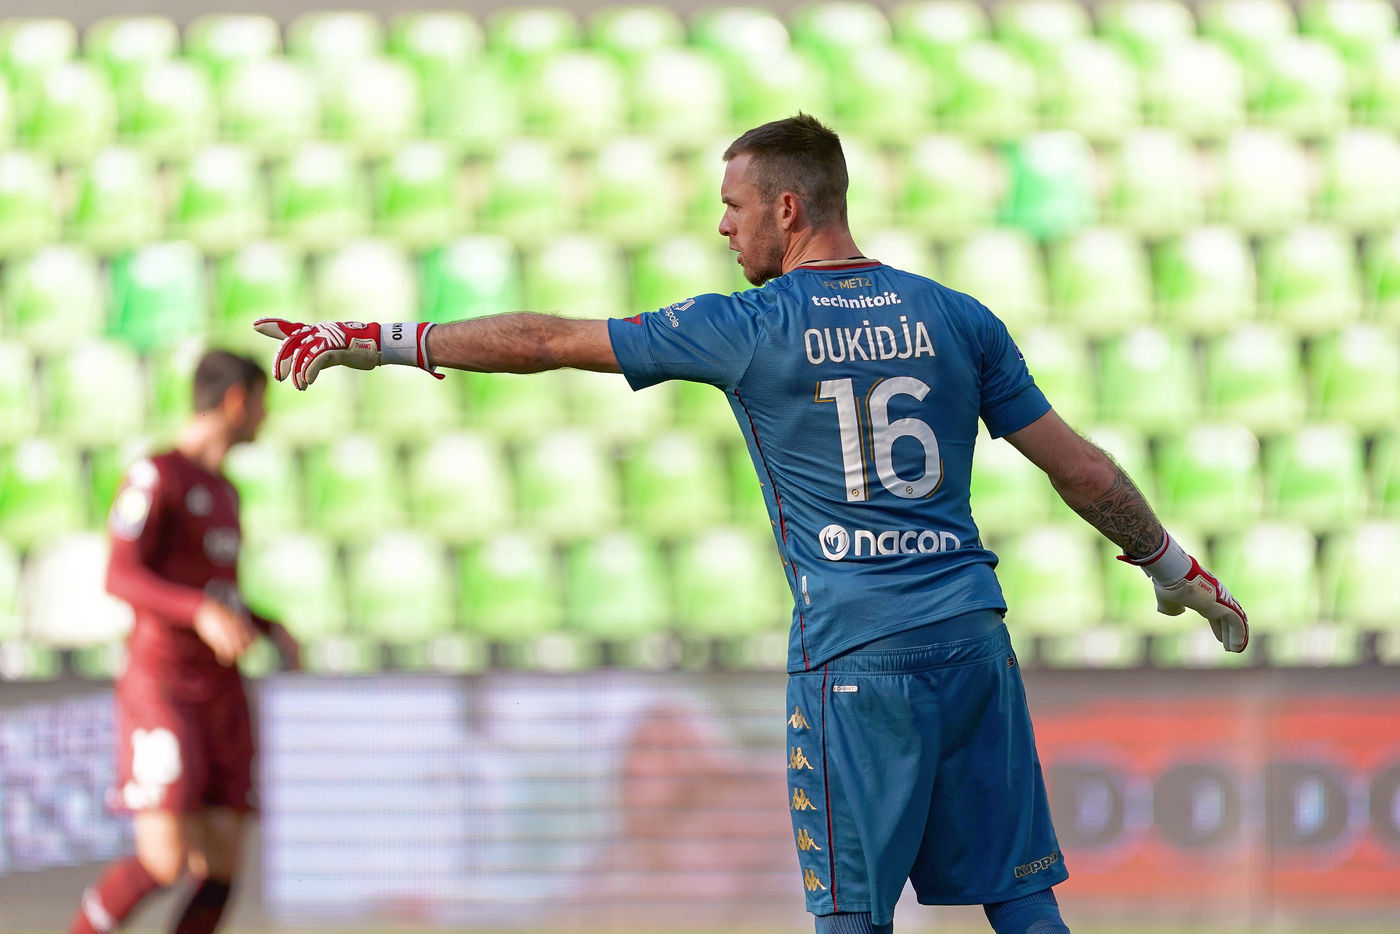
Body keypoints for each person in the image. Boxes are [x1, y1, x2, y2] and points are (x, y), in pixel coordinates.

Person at [254, 114, 1247, 934]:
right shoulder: (957, 316)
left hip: (854, 656)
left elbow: (548, 339)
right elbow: (1081, 469)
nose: (722, 227)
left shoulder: (752, 325)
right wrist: (1174, 572)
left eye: (732, 206)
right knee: (1020, 901)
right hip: (970, 639)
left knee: (850, 917)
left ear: (787, 208)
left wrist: (376, 339)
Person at [69, 351, 300, 934]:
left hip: (220, 691)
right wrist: (198, 611)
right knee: (165, 859)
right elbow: (119, 575)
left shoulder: (226, 492)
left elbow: (217, 594)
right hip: (164, 685)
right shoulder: (156, 475)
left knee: (223, 860)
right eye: (263, 403)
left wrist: (267, 626)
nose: (266, 417)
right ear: (236, 402)